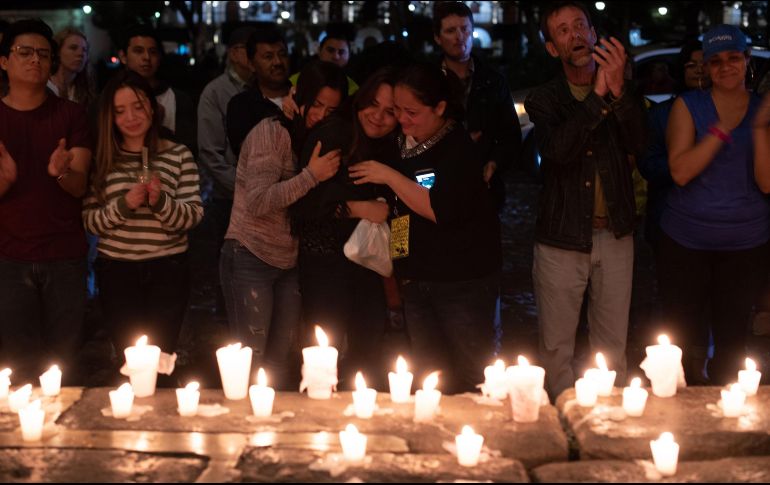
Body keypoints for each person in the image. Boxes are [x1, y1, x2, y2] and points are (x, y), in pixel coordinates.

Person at [349, 62, 502, 394]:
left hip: (462, 281)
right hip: (416, 279)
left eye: (412, 112)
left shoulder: (457, 149)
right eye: (398, 111)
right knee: (431, 376)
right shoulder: (401, 142)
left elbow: (439, 209)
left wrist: (389, 176)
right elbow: (400, 211)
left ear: (440, 108)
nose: (402, 120)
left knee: (472, 373)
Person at [524, 1, 647, 400]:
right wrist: (597, 96)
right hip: (561, 237)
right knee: (556, 349)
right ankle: (561, 421)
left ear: (594, 34)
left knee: (611, 347)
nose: (574, 34)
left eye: (581, 26)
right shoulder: (544, 99)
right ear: (552, 48)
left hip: (615, 234)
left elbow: (643, 145)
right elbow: (558, 151)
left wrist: (619, 93)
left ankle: (605, 419)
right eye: (562, 30)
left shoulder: (624, 91)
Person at [219, 61, 347, 390]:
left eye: (331, 109)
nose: (320, 115)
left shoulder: (312, 138)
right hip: (250, 254)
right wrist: (311, 177)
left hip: (288, 262)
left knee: (279, 360)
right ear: (297, 96)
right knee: (252, 359)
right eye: (316, 104)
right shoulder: (271, 132)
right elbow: (258, 201)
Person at [660, 24, 770, 385]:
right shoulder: (688, 107)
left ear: (747, 60)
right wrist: (720, 131)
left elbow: (766, 182)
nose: (725, 67)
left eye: (734, 58)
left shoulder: (761, 112)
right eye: (716, 60)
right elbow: (680, 171)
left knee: (733, 340)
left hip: (744, 245)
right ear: (706, 67)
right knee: (681, 338)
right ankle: (681, 414)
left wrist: (757, 129)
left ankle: (725, 415)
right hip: (686, 242)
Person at [82, 70, 202, 371]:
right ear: (109, 117)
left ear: (152, 106)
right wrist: (124, 204)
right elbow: (90, 222)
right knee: (130, 362)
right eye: (120, 111)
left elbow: (192, 216)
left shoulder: (178, 154)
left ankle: (161, 416)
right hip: (117, 271)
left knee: (162, 360)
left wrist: (160, 202)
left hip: (168, 269)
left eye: (138, 106)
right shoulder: (102, 159)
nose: (131, 117)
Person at [291, 67, 399, 390]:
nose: (378, 117)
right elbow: (304, 207)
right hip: (325, 262)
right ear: (360, 99)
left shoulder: (394, 149)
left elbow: (400, 212)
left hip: (369, 265)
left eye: (390, 112)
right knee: (325, 353)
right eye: (373, 105)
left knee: (367, 351)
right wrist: (360, 208)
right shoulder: (336, 134)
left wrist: (401, 264)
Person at [0, 19, 92, 383]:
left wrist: (62, 173)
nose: (34, 60)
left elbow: (80, 185)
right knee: (16, 363)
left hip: (64, 256)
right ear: (4, 61)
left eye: (42, 54)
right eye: (24, 52)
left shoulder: (70, 115)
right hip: (8, 256)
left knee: (64, 364)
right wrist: (3, 182)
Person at [432, 1, 521, 211]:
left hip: (483, 187)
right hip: (437, 184)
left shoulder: (493, 81)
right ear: (438, 37)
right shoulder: (429, 81)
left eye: (464, 29)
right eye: (450, 31)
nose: (459, 37)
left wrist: (494, 162)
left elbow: (510, 134)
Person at [118, 24, 196, 154]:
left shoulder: (178, 100)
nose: (146, 58)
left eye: (153, 52)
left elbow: (189, 149)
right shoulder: (110, 98)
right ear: (123, 56)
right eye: (138, 51)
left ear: (159, 57)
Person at [226, 27, 290, 158]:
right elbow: (250, 154)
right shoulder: (241, 105)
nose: (278, 62)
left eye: (282, 54)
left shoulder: (303, 97)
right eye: (268, 56)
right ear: (251, 65)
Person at [289, 25, 358, 95]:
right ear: (319, 51)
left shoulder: (353, 89)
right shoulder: (298, 80)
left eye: (341, 52)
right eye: (330, 50)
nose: (336, 56)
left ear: (349, 55)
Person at [49, 27, 95, 108]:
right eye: (73, 48)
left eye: (84, 50)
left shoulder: (85, 92)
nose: (80, 54)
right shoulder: (44, 87)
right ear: (58, 51)